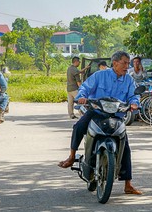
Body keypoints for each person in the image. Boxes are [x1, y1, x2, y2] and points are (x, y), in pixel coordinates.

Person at [57, 51, 142, 195]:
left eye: (128, 63)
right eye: (124, 63)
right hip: (96, 112)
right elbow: (85, 88)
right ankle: (72, 156)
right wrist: (82, 97)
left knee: (125, 146)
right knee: (79, 126)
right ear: (114, 63)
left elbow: (134, 95)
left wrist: (134, 103)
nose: (127, 66)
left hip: (116, 115)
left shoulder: (129, 80)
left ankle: (128, 184)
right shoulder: (99, 75)